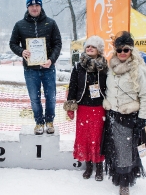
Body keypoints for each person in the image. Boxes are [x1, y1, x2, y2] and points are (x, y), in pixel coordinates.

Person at [101, 31, 146, 195]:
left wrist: (142, 118)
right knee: (114, 150)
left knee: (124, 151)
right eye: (119, 50)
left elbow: (145, 95)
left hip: (128, 117)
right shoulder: (111, 68)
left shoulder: (138, 70)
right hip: (111, 116)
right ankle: (119, 173)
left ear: (131, 51)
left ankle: (125, 182)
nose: (122, 53)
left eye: (126, 50)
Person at [9, 0, 62, 135]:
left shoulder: (51, 23)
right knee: (34, 98)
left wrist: (52, 59)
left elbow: (58, 43)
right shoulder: (20, 25)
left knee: (51, 97)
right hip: (30, 69)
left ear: (41, 6)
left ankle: (50, 121)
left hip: (48, 68)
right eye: (31, 5)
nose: (34, 7)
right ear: (27, 7)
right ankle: (39, 122)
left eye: (37, 5)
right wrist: (21, 51)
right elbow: (12, 44)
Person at [63, 36, 108, 181]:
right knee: (85, 137)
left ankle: (99, 167)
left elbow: (109, 86)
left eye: (93, 47)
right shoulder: (78, 66)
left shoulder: (105, 66)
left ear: (98, 50)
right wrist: (70, 105)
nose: (89, 49)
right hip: (83, 106)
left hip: (99, 107)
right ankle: (88, 166)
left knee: (98, 137)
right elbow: (73, 86)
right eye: (88, 46)